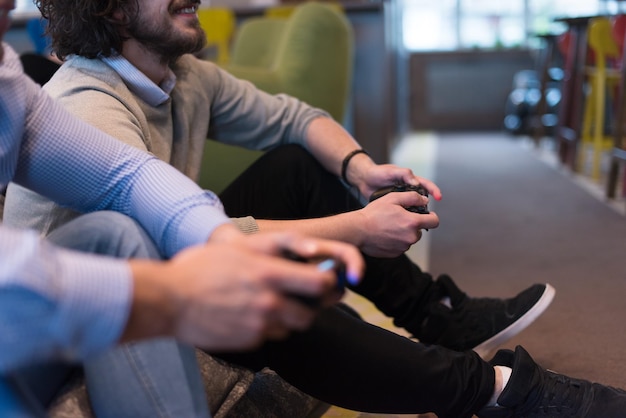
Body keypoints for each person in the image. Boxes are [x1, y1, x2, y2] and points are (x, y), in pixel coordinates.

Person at [3, 7, 626, 418]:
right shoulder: (89, 103)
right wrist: (351, 229)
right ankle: (489, 392)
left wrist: (359, 168)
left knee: (296, 168)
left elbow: (289, 121)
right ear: (108, 7)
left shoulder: (181, 77)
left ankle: (440, 314)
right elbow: (145, 238)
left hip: (147, 253)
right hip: (74, 314)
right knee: (257, 284)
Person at [0, 3, 363, 414]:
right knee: (119, 234)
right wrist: (173, 295)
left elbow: (128, 174)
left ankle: (442, 333)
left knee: (114, 234)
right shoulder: (87, 95)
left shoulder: (7, 81)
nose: (13, 4)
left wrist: (226, 240)